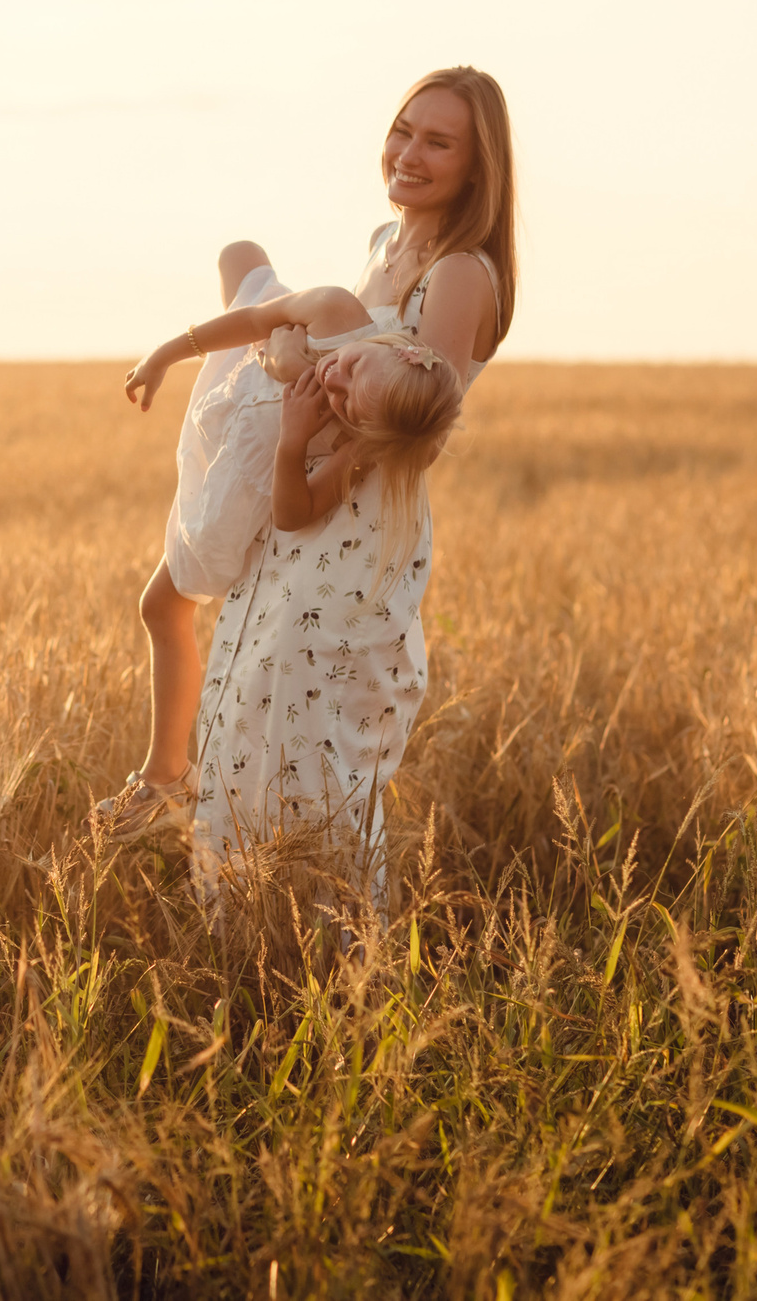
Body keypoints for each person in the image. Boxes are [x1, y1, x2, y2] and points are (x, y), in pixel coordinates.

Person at [184, 66, 518, 904]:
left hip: (357, 532)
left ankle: (340, 968)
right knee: (247, 724)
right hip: (299, 515)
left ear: (479, 167)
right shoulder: (384, 244)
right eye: (403, 130)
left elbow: (416, 425)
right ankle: (248, 937)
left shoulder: (461, 273)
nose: (408, 152)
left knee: (319, 750)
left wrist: (309, 440)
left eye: (437, 141)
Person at [91, 264, 467, 841]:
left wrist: (296, 438)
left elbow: (294, 514)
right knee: (238, 254)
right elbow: (257, 319)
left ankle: (167, 773)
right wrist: (167, 353)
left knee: (159, 605)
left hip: (244, 471)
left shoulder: (358, 438)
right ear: (394, 346)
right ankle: (166, 773)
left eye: (345, 403)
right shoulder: (337, 311)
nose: (334, 386)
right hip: (236, 391)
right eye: (353, 369)